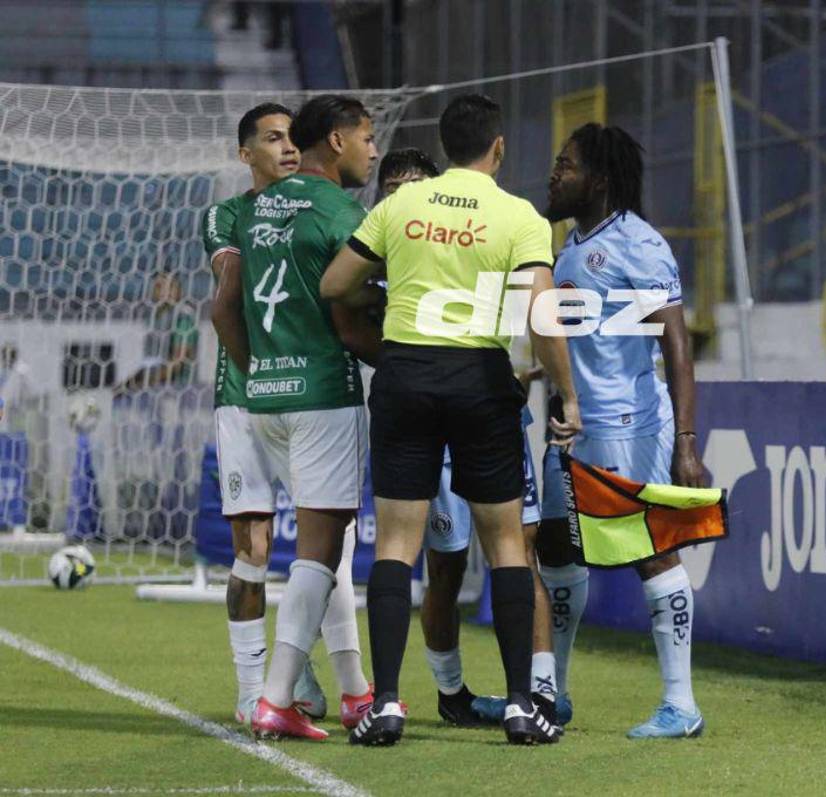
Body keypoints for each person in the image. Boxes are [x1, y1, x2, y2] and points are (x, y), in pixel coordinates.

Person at [321, 93, 580, 747]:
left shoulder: (399, 206)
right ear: (497, 148)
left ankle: (384, 703)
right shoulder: (517, 216)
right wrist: (566, 393)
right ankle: (523, 704)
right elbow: (542, 318)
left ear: (443, 146)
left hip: (405, 376)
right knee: (506, 545)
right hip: (479, 381)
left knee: (396, 546)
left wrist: (391, 285)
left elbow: (334, 284)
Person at [211, 94, 379, 741]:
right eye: (366, 138)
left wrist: (259, 371)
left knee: (323, 544)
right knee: (320, 548)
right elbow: (348, 308)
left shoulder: (253, 213)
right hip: (321, 396)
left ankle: (352, 689)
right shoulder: (340, 211)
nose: (371, 151)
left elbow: (224, 307)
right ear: (336, 141)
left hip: (266, 397)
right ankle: (277, 695)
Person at [368, 149, 554, 728]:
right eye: (392, 186)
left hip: (485, 409)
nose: (403, 194)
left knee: (521, 547)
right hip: (426, 421)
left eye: (412, 185)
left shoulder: (475, 238)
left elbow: (527, 315)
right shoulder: (380, 259)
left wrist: (523, 369)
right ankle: (451, 693)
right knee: (443, 564)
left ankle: (540, 691)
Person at [536, 122, 707, 739]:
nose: (555, 174)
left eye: (567, 165)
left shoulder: (638, 243)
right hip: (570, 429)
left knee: (650, 550)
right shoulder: (570, 246)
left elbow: (677, 343)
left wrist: (686, 443)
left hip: (626, 424)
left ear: (599, 181)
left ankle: (681, 704)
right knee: (554, 549)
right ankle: (552, 692)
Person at [115, 271, 199, 395]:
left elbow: (176, 364)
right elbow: (149, 364)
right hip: (155, 391)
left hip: (177, 394)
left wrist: (140, 386)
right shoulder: (156, 321)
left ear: (180, 291)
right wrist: (124, 386)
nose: (166, 292)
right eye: (160, 287)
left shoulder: (183, 319)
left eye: (171, 287)